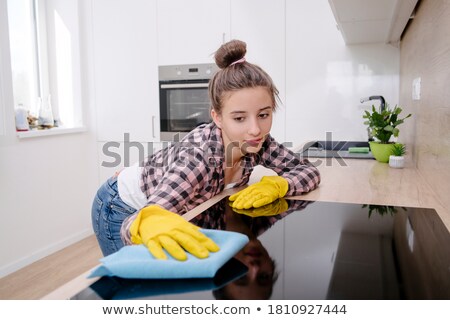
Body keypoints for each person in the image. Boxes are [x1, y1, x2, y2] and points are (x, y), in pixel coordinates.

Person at [91, 39, 321, 259]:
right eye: (240, 118)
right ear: (217, 117)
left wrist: (280, 184)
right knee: (132, 289)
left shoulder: (259, 144)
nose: (255, 130)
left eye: (263, 115)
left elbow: (308, 171)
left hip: (152, 175)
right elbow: (134, 224)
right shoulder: (198, 159)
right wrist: (148, 221)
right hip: (120, 204)